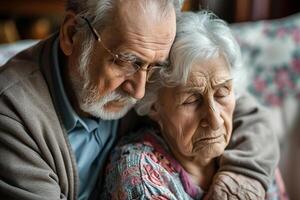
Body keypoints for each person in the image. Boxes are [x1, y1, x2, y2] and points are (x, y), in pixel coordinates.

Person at [0, 0, 278, 200]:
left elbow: (248, 115)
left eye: (155, 66)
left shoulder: (144, 63)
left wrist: (243, 176)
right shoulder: (12, 114)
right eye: (127, 61)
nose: (140, 91)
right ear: (73, 34)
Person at [100, 11, 282, 199]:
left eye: (222, 93)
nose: (214, 121)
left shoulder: (250, 148)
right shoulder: (138, 173)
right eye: (192, 100)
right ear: (153, 105)